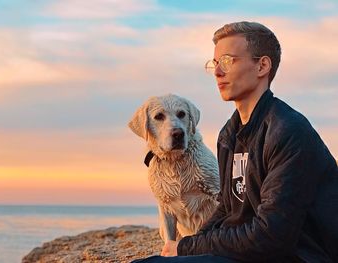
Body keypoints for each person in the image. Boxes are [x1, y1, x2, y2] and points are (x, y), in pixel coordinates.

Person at [132, 21, 338, 262]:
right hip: (248, 251)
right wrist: (187, 245)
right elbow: (227, 208)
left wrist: (188, 249)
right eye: (215, 64)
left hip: (299, 256)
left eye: (228, 61)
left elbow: (271, 235)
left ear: (262, 66)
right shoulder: (229, 134)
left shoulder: (288, 131)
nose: (218, 72)